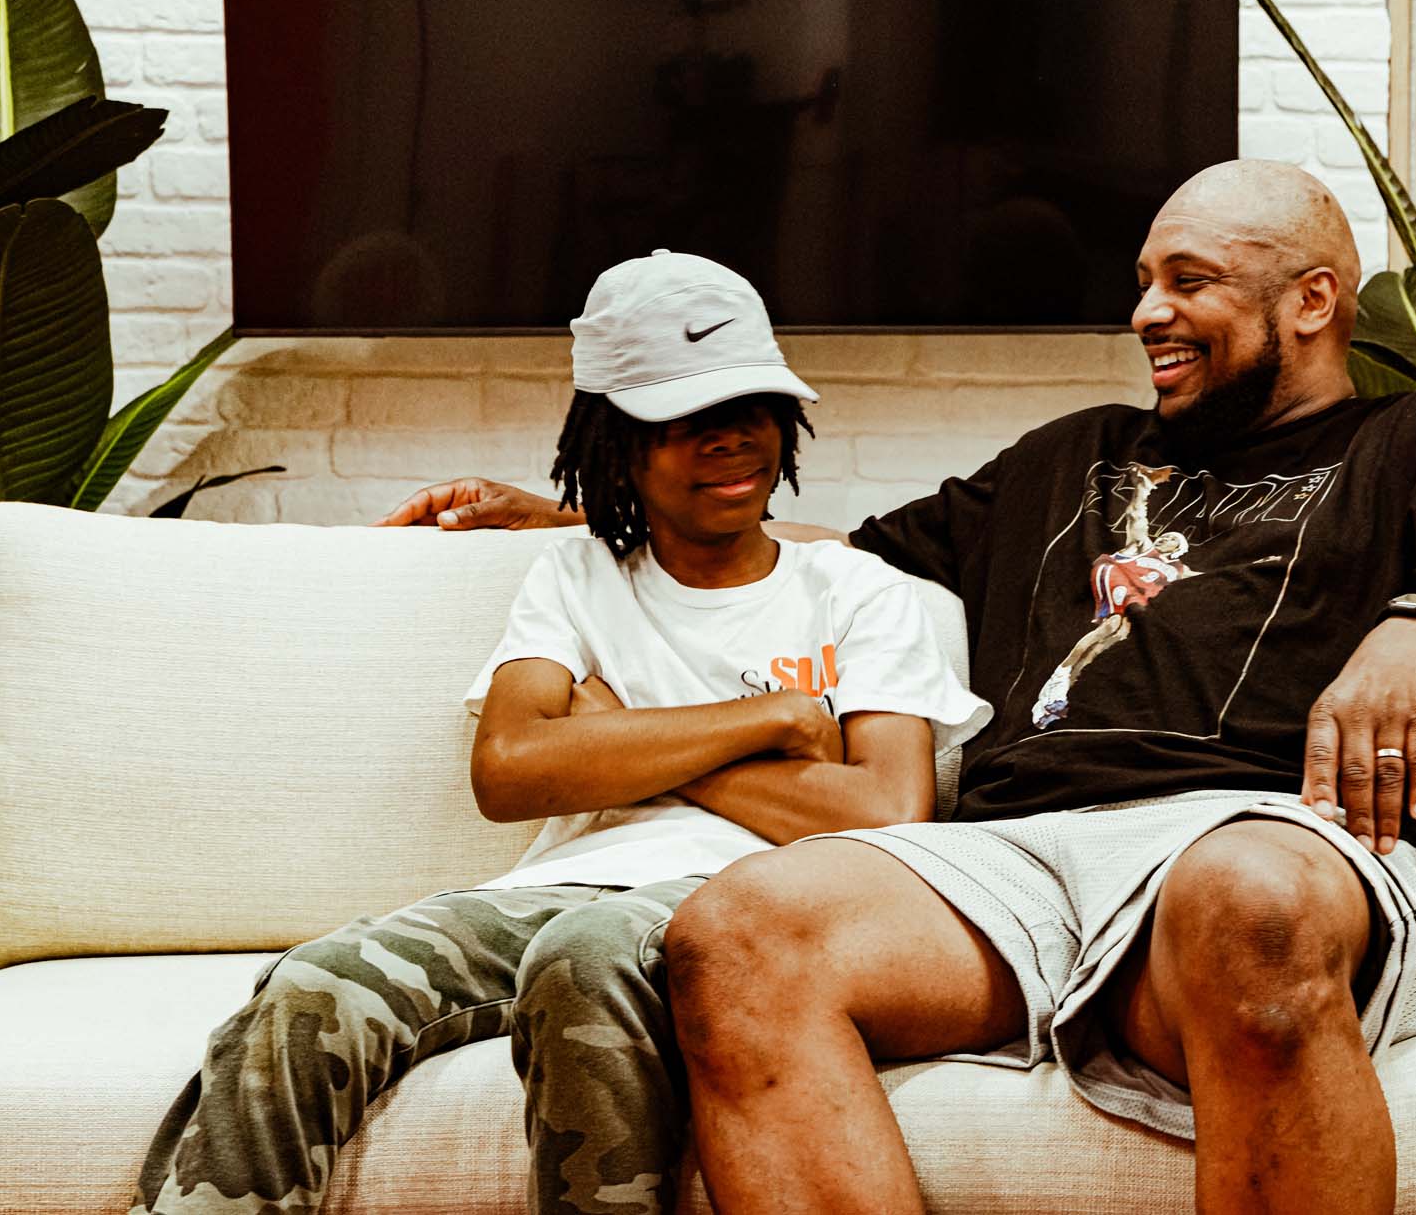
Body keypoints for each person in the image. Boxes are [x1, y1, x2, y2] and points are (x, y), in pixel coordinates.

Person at [381, 159, 1416, 1213]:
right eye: (1142, 279)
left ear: (1310, 300)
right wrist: (577, 513)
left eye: (1186, 281)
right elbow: (820, 559)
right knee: (736, 932)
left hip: (1259, 830)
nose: (1145, 310)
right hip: (1017, 857)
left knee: (1241, 899)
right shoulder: (1068, 456)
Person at [131, 251, 988, 1215]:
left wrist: (620, 734)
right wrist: (771, 724)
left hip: (744, 913)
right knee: (312, 986)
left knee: (585, 953)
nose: (732, 439)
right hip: (556, 890)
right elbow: (508, 768)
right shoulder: (575, 581)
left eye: (753, 406)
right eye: (685, 418)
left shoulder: (855, 591)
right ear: (617, 444)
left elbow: (882, 808)